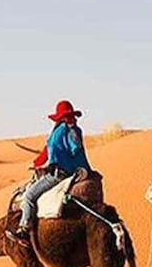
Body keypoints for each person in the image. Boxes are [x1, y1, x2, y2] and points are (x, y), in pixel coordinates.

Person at [8, 100, 92, 245]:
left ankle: (24, 230)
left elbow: (70, 149)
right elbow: (50, 151)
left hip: (59, 174)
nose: (69, 119)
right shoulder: (71, 130)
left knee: (28, 196)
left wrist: (47, 165)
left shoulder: (64, 131)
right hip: (72, 170)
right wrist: (37, 164)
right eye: (68, 117)